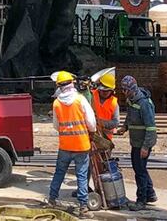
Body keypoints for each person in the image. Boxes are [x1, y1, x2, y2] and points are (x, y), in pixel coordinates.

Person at [45, 70, 97, 218]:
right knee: (81, 176)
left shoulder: (56, 103)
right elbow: (91, 123)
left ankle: (52, 199)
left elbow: (56, 125)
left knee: (59, 173)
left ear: (59, 86)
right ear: (72, 83)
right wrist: (90, 132)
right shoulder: (80, 100)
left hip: (65, 146)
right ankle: (83, 207)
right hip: (81, 145)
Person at [116, 75, 158, 211]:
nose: (123, 92)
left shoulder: (144, 103)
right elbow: (130, 116)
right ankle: (150, 194)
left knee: (139, 171)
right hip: (135, 141)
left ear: (132, 89)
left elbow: (151, 127)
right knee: (140, 168)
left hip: (143, 143)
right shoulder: (131, 100)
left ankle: (141, 200)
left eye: (125, 90)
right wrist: (124, 127)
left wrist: (146, 147)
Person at [90, 68, 120, 138]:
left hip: (106, 139)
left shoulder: (114, 103)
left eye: (107, 91)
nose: (105, 93)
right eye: (103, 91)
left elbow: (116, 122)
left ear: (112, 90)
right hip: (91, 136)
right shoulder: (91, 96)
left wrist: (102, 123)